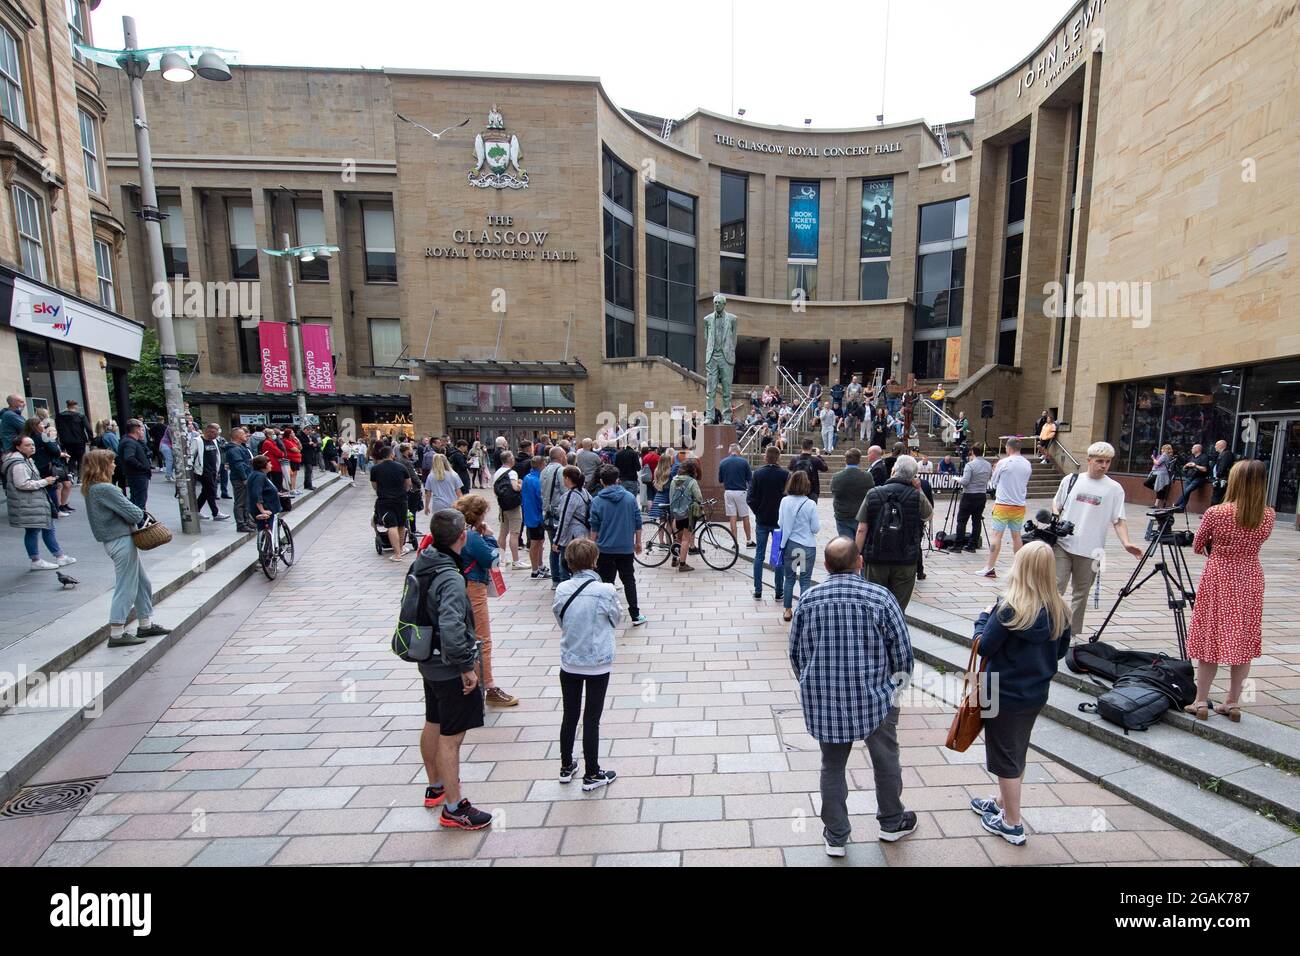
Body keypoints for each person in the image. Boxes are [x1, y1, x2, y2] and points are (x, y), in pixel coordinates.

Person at [789, 536, 917, 855]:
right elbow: (903, 654)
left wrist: (811, 683)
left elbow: (796, 653)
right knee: (886, 759)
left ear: (826, 565)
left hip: (825, 699)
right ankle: (891, 822)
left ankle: (836, 834)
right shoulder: (880, 597)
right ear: (859, 562)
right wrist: (894, 689)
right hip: (876, 697)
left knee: (831, 765)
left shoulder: (808, 599)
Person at [968, 541, 1072, 846]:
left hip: (1001, 693)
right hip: (1035, 693)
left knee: (1005, 757)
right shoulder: (1060, 609)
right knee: (1016, 749)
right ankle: (1002, 802)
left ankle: (1012, 823)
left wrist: (982, 618)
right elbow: (1062, 651)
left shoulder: (1009, 608)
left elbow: (983, 646)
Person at [412, 509, 493, 830]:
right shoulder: (450, 575)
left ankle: (436, 786)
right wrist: (466, 667)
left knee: (434, 720)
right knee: (452, 736)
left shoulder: (425, 559)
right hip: (448, 665)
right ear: (462, 537)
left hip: (427, 658)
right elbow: (451, 624)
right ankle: (454, 808)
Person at [1184, 459, 1275, 722]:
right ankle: (1233, 702)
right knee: (1242, 639)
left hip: (1220, 575)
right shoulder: (1267, 514)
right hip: (1250, 577)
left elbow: (1198, 545)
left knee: (1210, 637)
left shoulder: (1217, 512)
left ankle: (1201, 701)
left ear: (1234, 481)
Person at [82, 450, 172, 648]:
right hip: (119, 539)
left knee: (142, 583)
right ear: (103, 465)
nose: (115, 465)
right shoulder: (105, 488)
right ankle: (116, 632)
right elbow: (134, 513)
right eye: (112, 462)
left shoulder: (92, 488)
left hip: (114, 539)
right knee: (127, 585)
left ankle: (145, 623)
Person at [1051, 442, 1143, 636]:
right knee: (1055, 588)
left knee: (1081, 594)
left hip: (1092, 550)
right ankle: (1049, 629)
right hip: (1063, 544)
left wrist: (1126, 542)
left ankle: (1071, 635)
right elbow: (1057, 503)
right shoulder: (1072, 479)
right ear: (1089, 460)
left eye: (1108, 462)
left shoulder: (1114, 488)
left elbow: (1118, 519)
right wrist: (1056, 516)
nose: (1104, 465)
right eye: (1100, 461)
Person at [553, 537, 621, 791]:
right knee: (591, 718)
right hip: (597, 662)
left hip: (570, 660)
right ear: (594, 561)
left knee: (569, 715)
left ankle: (566, 765)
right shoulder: (606, 590)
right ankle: (592, 772)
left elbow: (560, 619)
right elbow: (616, 618)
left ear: (569, 563)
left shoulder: (562, 589)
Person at [452, 494, 517, 707]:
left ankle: (468, 682)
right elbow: (493, 559)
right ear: (477, 515)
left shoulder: (453, 533)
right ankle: (488, 687)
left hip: (457, 587)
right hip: (473, 588)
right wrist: (489, 536)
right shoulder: (471, 537)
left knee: (463, 635)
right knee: (482, 639)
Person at [854, 455, 931, 611]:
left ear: (893, 470)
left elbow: (862, 528)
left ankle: (876, 633)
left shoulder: (873, 493)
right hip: (905, 559)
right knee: (898, 608)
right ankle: (894, 632)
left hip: (876, 558)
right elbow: (928, 515)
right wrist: (919, 489)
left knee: (874, 605)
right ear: (913, 476)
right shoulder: (916, 495)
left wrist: (856, 556)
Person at [4, 435, 75, 570]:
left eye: (33, 444)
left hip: (31, 501)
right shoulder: (19, 463)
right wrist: (44, 482)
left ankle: (52, 557)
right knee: (41, 528)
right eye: (27, 445)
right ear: (18, 447)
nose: (32, 447)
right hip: (29, 502)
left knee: (39, 528)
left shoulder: (25, 460)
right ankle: (47, 558)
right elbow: (22, 484)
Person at [588, 464, 646, 625]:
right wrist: (638, 542)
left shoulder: (597, 501)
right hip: (625, 548)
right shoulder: (629, 498)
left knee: (606, 582)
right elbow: (637, 521)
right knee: (629, 580)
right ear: (618, 480)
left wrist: (592, 547)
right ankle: (635, 614)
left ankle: (607, 614)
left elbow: (595, 527)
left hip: (604, 548)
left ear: (601, 481)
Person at [979, 438, 1033, 578]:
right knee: (1016, 536)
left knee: (997, 536)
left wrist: (995, 469)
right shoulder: (1027, 464)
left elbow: (994, 481)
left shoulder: (1003, 462)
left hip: (1003, 504)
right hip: (1019, 505)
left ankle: (990, 567)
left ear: (1008, 448)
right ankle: (1020, 568)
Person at [747, 445, 789, 601]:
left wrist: (758, 511)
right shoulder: (785, 474)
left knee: (759, 555)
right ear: (778, 458)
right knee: (777, 556)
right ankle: (779, 591)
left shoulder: (757, 474)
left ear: (765, 457)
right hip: (778, 522)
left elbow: (750, 498)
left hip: (762, 520)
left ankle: (758, 590)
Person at [777, 469, 820, 622]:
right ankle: (804, 611)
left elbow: (780, 524)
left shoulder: (785, 501)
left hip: (790, 545)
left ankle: (787, 610)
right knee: (805, 579)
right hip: (807, 546)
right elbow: (815, 528)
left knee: (789, 579)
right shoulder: (810, 504)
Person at [369, 443, 411, 561]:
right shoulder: (401, 467)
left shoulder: (375, 469)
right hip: (401, 499)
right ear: (392, 454)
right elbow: (408, 484)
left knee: (391, 525)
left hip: (384, 500)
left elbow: (374, 486)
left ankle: (397, 554)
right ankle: (401, 550)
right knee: (401, 525)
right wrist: (403, 491)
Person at [553, 465, 592, 584]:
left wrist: (557, 540)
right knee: (583, 563)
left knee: (566, 563)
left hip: (572, 536)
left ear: (567, 479)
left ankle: (567, 586)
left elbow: (564, 519)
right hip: (584, 533)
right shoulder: (584, 492)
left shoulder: (570, 496)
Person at [954, 443, 993, 552]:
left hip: (969, 495)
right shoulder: (988, 465)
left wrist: (957, 479)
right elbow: (988, 477)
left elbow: (965, 482)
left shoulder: (970, 465)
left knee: (962, 521)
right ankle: (972, 544)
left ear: (973, 452)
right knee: (976, 520)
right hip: (981, 495)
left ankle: (958, 545)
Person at [491, 450, 527, 569]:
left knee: (502, 533)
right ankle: (516, 561)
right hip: (513, 507)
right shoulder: (512, 473)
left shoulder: (497, 473)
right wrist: (521, 484)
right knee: (514, 533)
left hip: (502, 506)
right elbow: (515, 487)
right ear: (511, 460)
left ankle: (501, 559)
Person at [539, 445, 569, 585]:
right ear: (561, 456)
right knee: (563, 547)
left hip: (547, 514)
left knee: (553, 546)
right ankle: (564, 578)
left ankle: (555, 580)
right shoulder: (560, 470)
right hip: (558, 514)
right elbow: (566, 492)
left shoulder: (544, 470)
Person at [669, 458, 705, 573]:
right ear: (692, 470)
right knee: (686, 539)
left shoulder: (674, 480)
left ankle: (675, 559)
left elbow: (671, 496)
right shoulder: (691, 481)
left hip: (676, 513)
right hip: (688, 514)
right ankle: (683, 564)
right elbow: (698, 497)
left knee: (678, 538)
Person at [830, 447, 874, 539]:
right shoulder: (867, 477)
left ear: (845, 460)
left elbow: (834, 493)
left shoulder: (837, 477)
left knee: (846, 544)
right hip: (861, 515)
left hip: (843, 515)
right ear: (859, 460)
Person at [188, 423, 230, 521]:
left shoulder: (214, 441)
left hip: (213, 470)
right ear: (209, 432)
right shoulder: (197, 441)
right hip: (203, 471)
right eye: (215, 434)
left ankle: (196, 510)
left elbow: (217, 455)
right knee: (210, 490)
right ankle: (215, 513)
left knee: (206, 491)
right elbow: (191, 455)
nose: (216, 436)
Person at [718, 443, 755, 548]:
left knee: (732, 517)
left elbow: (720, 480)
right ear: (738, 451)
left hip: (728, 491)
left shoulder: (723, 462)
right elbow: (750, 479)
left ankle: (735, 542)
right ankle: (749, 541)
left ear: (730, 451)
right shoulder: (744, 462)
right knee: (745, 516)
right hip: (741, 491)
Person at [225, 427, 257, 532]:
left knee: (246, 501)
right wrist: (244, 478)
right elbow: (238, 465)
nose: (246, 436)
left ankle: (247, 520)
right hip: (239, 479)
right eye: (243, 434)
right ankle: (241, 524)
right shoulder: (234, 449)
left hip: (245, 476)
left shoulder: (240, 447)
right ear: (238, 436)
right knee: (240, 502)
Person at [522, 454, 548, 579]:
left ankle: (540, 565)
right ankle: (535, 570)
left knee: (539, 541)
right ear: (541, 465)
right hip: (536, 516)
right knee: (535, 543)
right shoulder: (537, 480)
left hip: (530, 515)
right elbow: (541, 498)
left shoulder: (527, 477)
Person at [119, 419, 153, 511]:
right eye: (141, 429)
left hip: (137, 475)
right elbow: (129, 457)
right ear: (137, 429)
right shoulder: (129, 442)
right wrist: (143, 467)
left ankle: (140, 521)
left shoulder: (131, 441)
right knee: (139, 501)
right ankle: (139, 523)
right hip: (138, 475)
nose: (143, 432)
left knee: (137, 500)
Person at [55, 399, 93, 478]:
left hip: (65, 440)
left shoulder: (59, 416)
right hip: (79, 439)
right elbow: (88, 428)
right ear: (75, 406)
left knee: (70, 457)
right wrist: (90, 439)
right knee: (80, 458)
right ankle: (80, 477)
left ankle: (71, 473)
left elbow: (58, 428)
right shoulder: (80, 416)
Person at [1174, 442, 1211, 509]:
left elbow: (1205, 469)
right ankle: (1181, 507)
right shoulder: (1191, 457)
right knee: (1186, 492)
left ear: (1197, 449)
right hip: (1189, 477)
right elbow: (1184, 467)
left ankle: (1177, 503)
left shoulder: (1204, 457)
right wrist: (1186, 466)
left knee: (1187, 490)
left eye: (1193, 448)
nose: (1191, 449)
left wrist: (1195, 465)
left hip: (1199, 477)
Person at [1209, 439, 1236, 507]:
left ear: (1221, 446)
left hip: (1222, 479)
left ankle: (1215, 514)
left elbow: (1223, 467)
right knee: (1216, 497)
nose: (1215, 446)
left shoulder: (1226, 454)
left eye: (1216, 445)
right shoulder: (1222, 454)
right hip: (1220, 479)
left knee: (1218, 497)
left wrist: (1218, 477)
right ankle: (1213, 513)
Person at [1150, 443, 1175, 508]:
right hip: (1165, 473)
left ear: (1165, 449)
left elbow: (1157, 463)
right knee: (1161, 488)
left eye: (1162, 449)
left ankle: (1157, 504)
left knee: (1157, 487)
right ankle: (1157, 504)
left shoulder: (1164, 455)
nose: (1161, 450)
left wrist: (1153, 458)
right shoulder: (1170, 456)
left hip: (1161, 473)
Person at [281, 426, 303, 494]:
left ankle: (294, 488)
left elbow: (300, 448)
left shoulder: (293, 440)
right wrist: (298, 450)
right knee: (292, 474)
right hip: (291, 460)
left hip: (296, 460)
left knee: (295, 474)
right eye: (293, 432)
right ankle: (291, 489)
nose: (294, 433)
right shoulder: (286, 441)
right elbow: (295, 450)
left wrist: (298, 441)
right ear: (289, 434)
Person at [299, 425, 321, 491]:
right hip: (305, 455)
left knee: (309, 470)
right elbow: (301, 445)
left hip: (311, 454)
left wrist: (315, 445)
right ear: (305, 430)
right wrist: (309, 443)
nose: (309, 432)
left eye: (310, 431)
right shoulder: (300, 435)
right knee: (309, 470)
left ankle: (307, 485)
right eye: (308, 431)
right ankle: (309, 485)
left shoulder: (310, 436)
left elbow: (317, 443)